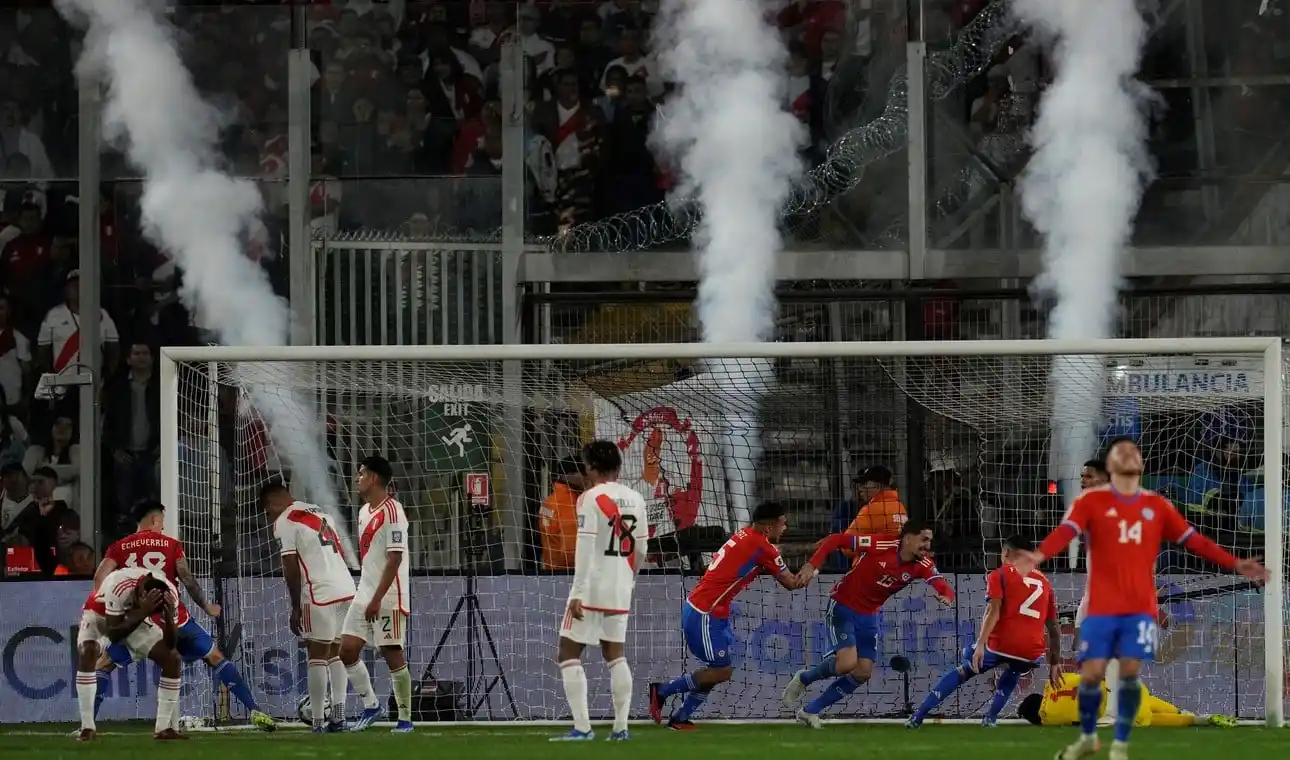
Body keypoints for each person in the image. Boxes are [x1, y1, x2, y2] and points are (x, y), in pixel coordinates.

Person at [1013, 436, 1267, 760]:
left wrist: (1234, 562)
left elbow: (1193, 540)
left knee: (1126, 667)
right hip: (1097, 601)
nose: (1085, 482)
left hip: (1134, 601)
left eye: (1089, 477)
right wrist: (1038, 555)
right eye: (1082, 479)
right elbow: (1065, 532)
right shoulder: (1089, 505)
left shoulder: (1155, 505)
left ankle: (1116, 721)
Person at [88, 499, 274, 731]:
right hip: (175, 618)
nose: (163, 527)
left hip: (141, 622)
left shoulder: (119, 547)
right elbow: (187, 579)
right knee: (216, 657)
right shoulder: (171, 545)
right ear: (154, 520)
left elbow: (100, 577)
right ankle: (255, 710)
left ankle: (88, 725)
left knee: (103, 665)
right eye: (162, 522)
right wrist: (206, 606)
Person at [648, 501, 803, 731]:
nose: (785, 528)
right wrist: (814, 565)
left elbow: (766, 555)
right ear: (769, 527)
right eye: (782, 524)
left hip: (709, 610)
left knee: (716, 670)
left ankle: (681, 717)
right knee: (722, 670)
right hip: (705, 614)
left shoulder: (746, 534)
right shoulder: (763, 548)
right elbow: (792, 583)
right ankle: (661, 691)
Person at [783, 521, 954, 728]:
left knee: (863, 672)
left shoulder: (923, 564)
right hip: (843, 605)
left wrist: (947, 596)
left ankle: (809, 711)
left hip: (869, 615)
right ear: (908, 538)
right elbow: (836, 540)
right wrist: (812, 565)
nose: (927, 546)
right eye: (924, 540)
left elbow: (941, 583)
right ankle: (805, 678)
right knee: (846, 664)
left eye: (930, 541)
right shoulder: (881, 544)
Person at [550, 440, 649, 742]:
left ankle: (583, 728)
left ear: (590, 467)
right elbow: (642, 547)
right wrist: (629, 579)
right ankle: (621, 728)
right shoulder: (637, 498)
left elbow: (585, 546)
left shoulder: (589, 498)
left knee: (568, 652)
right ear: (618, 466)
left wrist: (578, 592)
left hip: (592, 586)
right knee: (615, 654)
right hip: (621, 585)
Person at [907, 535, 1061, 728]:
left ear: (1006, 553)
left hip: (1002, 645)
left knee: (966, 663)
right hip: (1032, 653)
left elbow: (993, 611)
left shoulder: (1000, 574)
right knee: (1015, 667)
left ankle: (918, 716)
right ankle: (990, 719)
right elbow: (1054, 629)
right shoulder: (1045, 582)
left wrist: (981, 645)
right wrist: (1055, 664)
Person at [263, 482, 358, 733]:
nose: (270, 517)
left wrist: (295, 608)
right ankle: (338, 716)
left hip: (319, 593)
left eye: (268, 511)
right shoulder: (320, 512)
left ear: (273, 503)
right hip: (347, 588)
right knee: (336, 652)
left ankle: (317, 721)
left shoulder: (284, 521)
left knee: (316, 656)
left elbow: (291, 567)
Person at [339, 455, 413, 733]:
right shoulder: (363, 511)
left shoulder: (393, 511)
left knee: (392, 652)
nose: (357, 478)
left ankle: (405, 719)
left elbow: (395, 559)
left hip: (389, 594)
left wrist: (378, 599)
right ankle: (372, 706)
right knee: (346, 649)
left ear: (374, 478)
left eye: (361, 473)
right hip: (365, 590)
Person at [77, 568, 184, 741]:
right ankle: (87, 728)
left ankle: (163, 729)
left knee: (172, 659)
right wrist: (143, 611)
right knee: (88, 650)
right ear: (140, 591)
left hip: (136, 617)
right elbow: (114, 634)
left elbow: (171, 644)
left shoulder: (170, 594)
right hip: (100, 615)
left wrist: (170, 618)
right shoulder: (118, 584)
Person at [1017, 671, 1238, 727]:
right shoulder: (1058, 680)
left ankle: (1199, 719)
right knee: (1145, 698)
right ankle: (1183, 712)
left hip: (1127, 714)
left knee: (1150, 720)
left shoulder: (1049, 717)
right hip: (1129, 687)